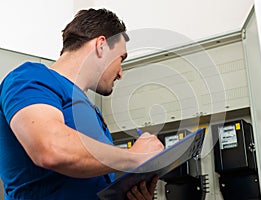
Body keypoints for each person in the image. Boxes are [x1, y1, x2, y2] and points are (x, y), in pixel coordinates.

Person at [0, 8, 164, 200]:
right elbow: (51, 149)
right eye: (121, 59)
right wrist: (135, 156)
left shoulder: (91, 113)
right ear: (101, 45)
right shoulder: (30, 77)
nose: (120, 73)